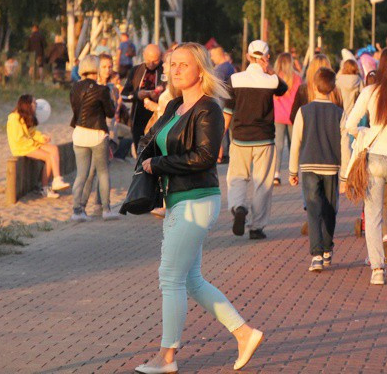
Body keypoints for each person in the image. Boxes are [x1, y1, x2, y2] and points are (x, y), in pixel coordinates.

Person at [134, 43, 264, 374]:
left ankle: (167, 357)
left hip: (197, 199)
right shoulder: (174, 106)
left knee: (170, 278)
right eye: (172, 64)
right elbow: (152, 140)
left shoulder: (209, 109)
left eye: (183, 64)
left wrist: (158, 164)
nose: (175, 70)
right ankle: (244, 334)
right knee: (190, 280)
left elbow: (205, 157)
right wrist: (145, 152)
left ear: (200, 70)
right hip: (178, 198)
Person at [343, 50, 387, 284]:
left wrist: (365, 132)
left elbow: (350, 124)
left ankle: (377, 268)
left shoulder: (370, 92)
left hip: (375, 158)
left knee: (373, 215)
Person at [224, 41, 288, 239]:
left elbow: (227, 111)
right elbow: (283, 88)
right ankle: (256, 227)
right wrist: (269, 70)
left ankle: (239, 206)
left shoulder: (234, 79)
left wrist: (219, 138)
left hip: (240, 138)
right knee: (263, 183)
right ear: (266, 58)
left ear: (247, 56)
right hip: (264, 139)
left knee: (237, 177)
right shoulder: (271, 81)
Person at [288, 68, 345, 272]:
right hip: (331, 165)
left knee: (313, 209)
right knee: (330, 208)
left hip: (309, 165)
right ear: (333, 87)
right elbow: (345, 145)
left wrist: (292, 171)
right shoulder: (339, 113)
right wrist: (345, 175)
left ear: (313, 86)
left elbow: (296, 142)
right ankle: (327, 247)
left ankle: (317, 254)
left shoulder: (303, 111)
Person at [69, 55, 117, 222]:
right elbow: (110, 113)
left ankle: (77, 211)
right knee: (103, 172)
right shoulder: (102, 90)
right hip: (97, 134)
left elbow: (76, 110)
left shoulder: (74, 87)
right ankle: (106, 210)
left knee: (81, 175)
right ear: (96, 68)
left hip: (79, 133)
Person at [7, 94, 69, 198]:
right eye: (34, 103)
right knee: (48, 157)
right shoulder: (14, 118)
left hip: (30, 144)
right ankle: (44, 188)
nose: (36, 105)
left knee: (53, 149)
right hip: (21, 147)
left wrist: (41, 138)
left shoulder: (26, 116)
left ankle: (57, 179)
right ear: (27, 104)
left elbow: (32, 133)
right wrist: (35, 144)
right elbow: (19, 139)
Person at [122, 44, 166, 150]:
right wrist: (137, 95)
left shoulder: (165, 70)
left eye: (155, 61)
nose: (151, 64)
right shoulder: (136, 70)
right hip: (138, 118)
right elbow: (124, 94)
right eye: (148, 60)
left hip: (158, 119)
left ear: (160, 57)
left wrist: (158, 96)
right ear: (144, 55)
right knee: (139, 149)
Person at [272, 53, 302, 186]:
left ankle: (276, 174)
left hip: (278, 116)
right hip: (293, 116)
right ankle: (293, 173)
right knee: (293, 145)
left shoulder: (274, 78)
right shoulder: (297, 78)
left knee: (278, 146)